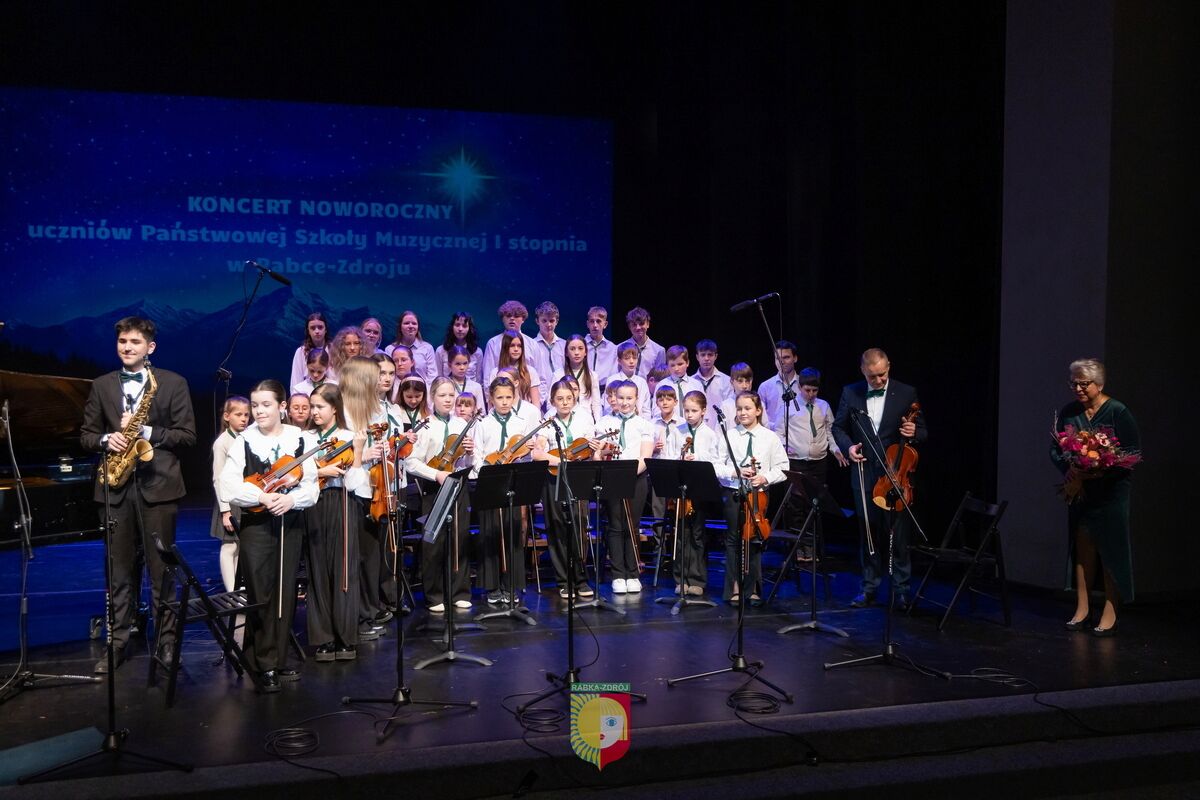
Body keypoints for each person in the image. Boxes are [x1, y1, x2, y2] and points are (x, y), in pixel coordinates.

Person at [81, 316, 197, 674]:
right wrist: (106, 439)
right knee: (118, 571)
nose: (127, 347)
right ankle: (117, 642)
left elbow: (187, 436)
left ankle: (166, 642)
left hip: (158, 486)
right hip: (115, 488)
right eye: (122, 341)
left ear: (150, 347)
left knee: (162, 572)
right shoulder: (101, 385)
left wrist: (147, 431)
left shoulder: (173, 383)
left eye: (134, 342)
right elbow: (86, 436)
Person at [219, 379, 316, 692]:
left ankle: (277, 659)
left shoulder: (299, 438)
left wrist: (291, 500)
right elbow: (228, 486)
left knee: (285, 592)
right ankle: (261, 661)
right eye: (255, 405)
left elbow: (311, 487)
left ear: (282, 406)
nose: (258, 411)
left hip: (290, 522)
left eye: (265, 405)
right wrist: (261, 496)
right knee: (260, 592)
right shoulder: (244, 441)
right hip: (256, 525)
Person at [832, 348, 927, 610]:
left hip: (896, 473)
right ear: (863, 371)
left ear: (889, 367)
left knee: (899, 536)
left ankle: (901, 590)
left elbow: (923, 431)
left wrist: (914, 431)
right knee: (869, 534)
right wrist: (848, 447)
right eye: (872, 376)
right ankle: (869, 588)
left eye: (882, 375)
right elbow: (838, 427)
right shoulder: (851, 392)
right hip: (864, 471)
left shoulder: (906, 393)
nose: (878, 380)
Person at [1052, 358, 1139, 636]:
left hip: (1111, 492)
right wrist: (1072, 470)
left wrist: (1098, 471)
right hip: (1080, 491)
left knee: (1110, 549)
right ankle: (1082, 608)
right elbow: (1056, 449)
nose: (1077, 389)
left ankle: (1111, 610)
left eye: (1083, 384)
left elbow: (1132, 453)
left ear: (1099, 384)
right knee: (1083, 548)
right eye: (1073, 384)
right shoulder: (1070, 412)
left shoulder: (1118, 412)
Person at [307, 385, 369, 662]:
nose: (314, 412)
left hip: (342, 501)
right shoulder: (306, 438)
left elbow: (355, 483)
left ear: (334, 408)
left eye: (320, 406)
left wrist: (358, 451)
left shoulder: (347, 436)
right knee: (318, 569)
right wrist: (319, 471)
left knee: (344, 569)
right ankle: (324, 638)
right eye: (312, 406)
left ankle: (346, 636)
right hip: (313, 503)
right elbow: (297, 474)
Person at [407, 377, 476, 612]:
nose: (448, 400)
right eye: (442, 395)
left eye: (451, 395)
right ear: (432, 397)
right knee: (433, 542)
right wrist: (436, 474)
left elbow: (465, 462)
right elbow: (411, 462)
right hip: (433, 487)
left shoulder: (461, 423)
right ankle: (434, 595)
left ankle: (460, 591)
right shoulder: (425, 425)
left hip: (458, 485)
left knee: (459, 538)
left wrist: (469, 453)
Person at [715, 391, 786, 605]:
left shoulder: (769, 437)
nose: (743, 412)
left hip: (758, 496)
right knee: (733, 540)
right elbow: (716, 464)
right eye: (739, 409)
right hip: (734, 493)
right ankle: (735, 588)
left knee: (755, 540)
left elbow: (783, 467)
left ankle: (753, 588)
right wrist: (734, 472)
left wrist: (765, 477)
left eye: (747, 408)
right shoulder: (729, 435)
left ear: (758, 410)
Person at [531, 377, 597, 599]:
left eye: (569, 398)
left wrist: (595, 448)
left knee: (578, 527)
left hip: (578, 477)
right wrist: (561, 461)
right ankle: (563, 580)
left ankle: (581, 579)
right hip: (554, 479)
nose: (565, 402)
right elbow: (537, 453)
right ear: (552, 401)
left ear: (574, 398)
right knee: (557, 527)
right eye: (560, 399)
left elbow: (590, 450)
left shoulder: (585, 418)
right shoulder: (548, 421)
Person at [473, 375, 536, 604]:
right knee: (491, 533)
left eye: (509, 397)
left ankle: (511, 584)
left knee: (512, 532)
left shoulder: (520, 423)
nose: (504, 402)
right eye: (500, 397)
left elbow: (525, 456)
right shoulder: (482, 424)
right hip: (490, 481)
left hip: (512, 482)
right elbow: (477, 454)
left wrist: (528, 450)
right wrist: (486, 471)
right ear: (491, 398)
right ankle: (492, 586)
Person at [595, 379, 653, 594]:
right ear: (614, 398)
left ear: (637, 399)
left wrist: (627, 474)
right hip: (611, 478)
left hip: (636, 478)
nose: (625, 402)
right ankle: (618, 574)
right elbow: (598, 454)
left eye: (629, 398)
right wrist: (599, 454)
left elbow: (645, 457)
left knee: (632, 526)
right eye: (621, 398)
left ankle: (633, 573)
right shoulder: (603, 423)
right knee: (615, 526)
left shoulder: (645, 425)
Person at [662, 391, 722, 596]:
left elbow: (716, 460)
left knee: (697, 534)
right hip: (681, 490)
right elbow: (668, 456)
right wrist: (679, 459)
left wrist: (698, 458)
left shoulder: (710, 434)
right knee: (681, 534)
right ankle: (681, 578)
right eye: (686, 410)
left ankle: (697, 579)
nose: (689, 415)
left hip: (700, 489)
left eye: (694, 411)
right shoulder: (677, 431)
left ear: (703, 411)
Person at [211, 396, 250, 593]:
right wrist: (225, 511)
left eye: (246, 415)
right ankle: (231, 591)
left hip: (244, 498)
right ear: (227, 416)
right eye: (238, 414)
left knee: (239, 546)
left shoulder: (247, 437)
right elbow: (218, 478)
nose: (243, 419)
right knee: (230, 546)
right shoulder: (222, 442)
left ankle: (238, 587)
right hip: (229, 502)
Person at [482, 300, 538, 380]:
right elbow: (487, 376)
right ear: (502, 318)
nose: (512, 318)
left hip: (527, 386)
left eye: (516, 316)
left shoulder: (532, 344)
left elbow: (539, 375)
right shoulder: (493, 343)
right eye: (508, 316)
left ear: (523, 319)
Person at [756, 339, 802, 436]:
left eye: (786, 357)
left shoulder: (803, 384)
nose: (781, 362)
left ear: (795, 358)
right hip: (772, 437)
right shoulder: (765, 387)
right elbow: (759, 417)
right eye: (778, 358)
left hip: (798, 438)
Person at [553, 334, 601, 423]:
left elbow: (596, 404)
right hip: (564, 419)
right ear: (566, 353)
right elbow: (551, 403)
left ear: (586, 352)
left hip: (586, 420)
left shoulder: (592, 376)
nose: (576, 352)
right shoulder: (558, 374)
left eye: (580, 348)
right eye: (572, 349)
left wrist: (598, 424)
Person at [487, 331, 542, 410]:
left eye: (519, 346)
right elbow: (491, 404)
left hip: (525, 414)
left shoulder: (530, 371)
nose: (516, 349)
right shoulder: (495, 373)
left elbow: (536, 403)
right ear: (505, 347)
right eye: (512, 345)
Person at [603, 341, 652, 421]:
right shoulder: (612, 380)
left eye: (634, 358)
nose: (631, 361)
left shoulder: (642, 382)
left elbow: (646, 410)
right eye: (627, 358)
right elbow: (608, 407)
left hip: (638, 423)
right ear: (619, 361)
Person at [385, 310, 437, 384]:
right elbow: (388, 374)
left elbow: (432, 376)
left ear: (418, 327)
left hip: (423, 390)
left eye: (414, 323)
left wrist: (423, 390)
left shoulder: (427, 348)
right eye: (406, 323)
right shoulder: (390, 349)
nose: (410, 326)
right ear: (400, 327)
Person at [530, 301, 566, 403]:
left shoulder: (564, 345)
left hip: (562, 395)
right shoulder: (532, 345)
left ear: (557, 321)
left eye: (551, 320)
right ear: (537, 321)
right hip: (539, 397)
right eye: (544, 321)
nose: (548, 324)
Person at [619, 306, 665, 380]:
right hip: (624, 385)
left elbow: (659, 378)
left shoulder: (659, 350)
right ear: (629, 327)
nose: (638, 327)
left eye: (641, 324)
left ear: (648, 324)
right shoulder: (619, 347)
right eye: (634, 324)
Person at [434, 311, 482, 382]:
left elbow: (478, 379)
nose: (460, 329)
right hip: (447, 388)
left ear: (470, 328)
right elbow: (438, 378)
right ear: (452, 327)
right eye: (457, 325)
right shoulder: (441, 351)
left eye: (464, 326)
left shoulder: (477, 352)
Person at [289, 312, 328, 392]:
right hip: (306, 394)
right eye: (313, 328)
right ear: (308, 331)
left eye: (320, 327)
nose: (317, 331)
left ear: (326, 329)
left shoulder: (333, 350)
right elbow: (295, 380)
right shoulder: (301, 352)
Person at [692, 339, 734, 413]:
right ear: (697, 357)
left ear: (715, 356)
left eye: (710, 355)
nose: (706, 358)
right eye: (703, 355)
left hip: (720, 420)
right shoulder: (691, 381)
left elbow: (730, 407)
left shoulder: (726, 381)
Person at [444, 345, 486, 412]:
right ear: (449, 365)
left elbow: (481, 413)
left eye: (465, 363)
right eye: (458, 364)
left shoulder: (476, 387)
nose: (462, 367)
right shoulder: (444, 386)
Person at [584, 305, 618, 384]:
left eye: (598, 321)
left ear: (605, 324)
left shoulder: (612, 348)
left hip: (605, 388)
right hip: (583, 387)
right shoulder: (581, 345)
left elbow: (614, 374)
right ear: (588, 324)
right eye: (592, 321)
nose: (595, 325)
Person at [717, 362, 754, 431]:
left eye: (747, 381)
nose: (744, 386)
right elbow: (719, 432)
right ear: (732, 382)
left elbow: (765, 428)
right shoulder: (726, 406)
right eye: (740, 381)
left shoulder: (758, 403)